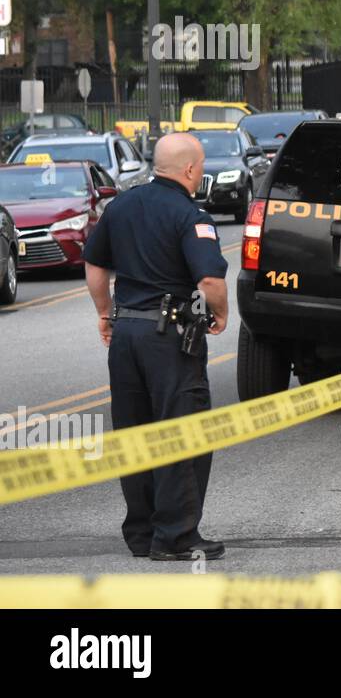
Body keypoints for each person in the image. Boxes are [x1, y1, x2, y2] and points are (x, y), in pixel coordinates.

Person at [83, 132, 229, 560]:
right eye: (200, 167)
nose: (200, 174)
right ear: (188, 170)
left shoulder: (120, 206)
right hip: (168, 341)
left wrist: (105, 312)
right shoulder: (191, 215)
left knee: (136, 432)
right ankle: (177, 536)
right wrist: (221, 313)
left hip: (125, 335)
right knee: (182, 432)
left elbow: (94, 265)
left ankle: (143, 533)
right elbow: (209, 280)